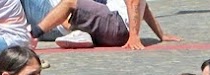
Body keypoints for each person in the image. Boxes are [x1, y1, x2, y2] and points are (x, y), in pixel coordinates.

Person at [28, 0, 180, 50]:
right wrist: (161, 34)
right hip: (117, 27)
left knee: (70, 2)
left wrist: (134, 36)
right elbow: (144, 8)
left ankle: (31, 35)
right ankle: (82, 33)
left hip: (116, 24)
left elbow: (134, 2)